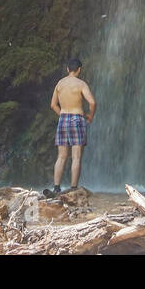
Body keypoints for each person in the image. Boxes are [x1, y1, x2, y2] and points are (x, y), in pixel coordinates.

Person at [46, 58, 95, 197]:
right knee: (76, 157)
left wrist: (61, 113)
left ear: (68, 69)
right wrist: (90, 116)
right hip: (77, 118)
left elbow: (53, 104)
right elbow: (92, 102)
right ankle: (73, 189)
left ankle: (56, 188)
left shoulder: (60, 84)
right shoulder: (81, 84)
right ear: (79, 70)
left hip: (63, 119)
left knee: (61, 156)